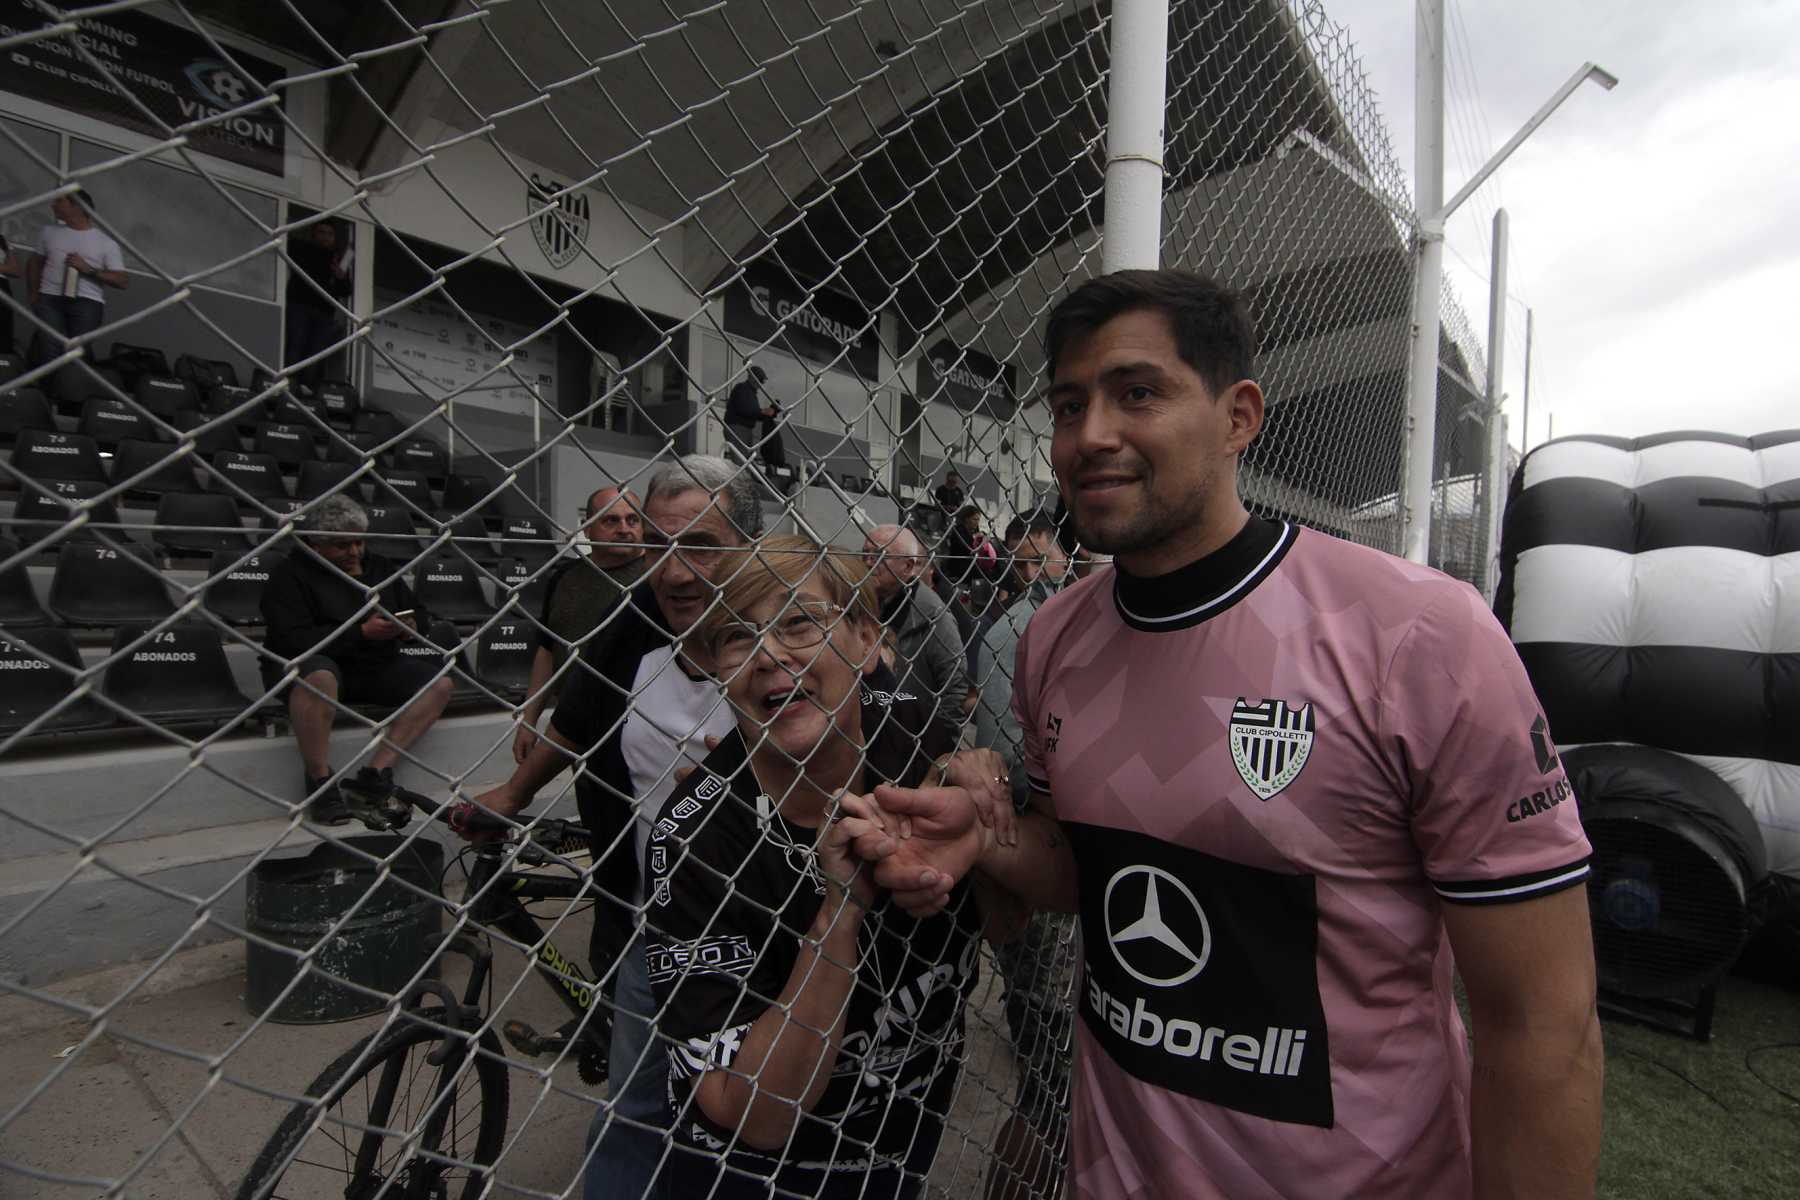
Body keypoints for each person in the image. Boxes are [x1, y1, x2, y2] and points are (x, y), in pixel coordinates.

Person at [856, 269, 1603, 1199]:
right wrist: (988, 843)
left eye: (1138, 393)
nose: (1090, 436)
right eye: (1067, 405)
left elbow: (1540, 1028)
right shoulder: (1056, 635)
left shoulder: (1418, 637)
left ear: (1239, 416)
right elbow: (1089, 868)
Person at [647, 535, 982, 1198]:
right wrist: (840, 912)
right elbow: (757, 1118)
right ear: (718, 669)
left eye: (798, 622)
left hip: (903, 1129)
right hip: (760, 1178)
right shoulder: (694, 839)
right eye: (739, 637)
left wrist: (985, 786)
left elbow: (1012, 916)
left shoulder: (912, 732)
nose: (771, 654)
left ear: (865, 639)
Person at [465, 454, 759, 1200]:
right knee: (634, 1107)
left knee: (757, 1110)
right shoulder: (634, 624)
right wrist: (513, 792)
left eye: (703, 546)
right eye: (658, 547)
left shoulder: (784, 632)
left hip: (766, 924)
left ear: (749, 548)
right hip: (653, 919)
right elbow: (577, 718)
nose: (676, 573)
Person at [970, 520, 1075, 1200]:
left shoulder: (1066, 622)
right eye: (1041, 557)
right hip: (1036, 860)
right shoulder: (1023, 631)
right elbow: (1010, 765)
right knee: (1051, 1081)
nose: (1058, 565)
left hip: (1057, 860)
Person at [261, 495, 454, 824]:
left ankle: (375, 774)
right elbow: (292, 640)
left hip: (372, 665)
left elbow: (419, 612)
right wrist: (359, 634)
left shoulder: (379, 566)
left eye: (358, 542)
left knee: (440, 683)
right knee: (320, 675)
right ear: (315, 544)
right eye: (341, 545)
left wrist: (410, 628)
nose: (354, 552)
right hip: (310, 668)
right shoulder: (289, 575)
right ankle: (320, 779)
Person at [512, 485, 647, 764]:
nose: (624, 528)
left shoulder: (659, 576)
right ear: (586, 527)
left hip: (644, 725)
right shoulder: (564, 578)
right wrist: (528, 720)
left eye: (632, 520)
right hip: (577, 725)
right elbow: (547, 651)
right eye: (611, 520)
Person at [860, 523, 970, 746]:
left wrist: (939, 744)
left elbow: (955, 688)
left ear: (908, 566)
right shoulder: (859, 602)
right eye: (865, 554)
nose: (869, 562)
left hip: (912, 738)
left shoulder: (933, 614)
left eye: (880, 555)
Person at [26, 189, 125, 365]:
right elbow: (35, 263)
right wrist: (34, 294)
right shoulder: (48, 232)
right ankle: (47, 389)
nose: (53, 205)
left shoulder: (106, 243)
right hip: (50, 298)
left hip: (87, 302)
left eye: (59, 201)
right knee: (49, 350)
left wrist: (88, 270)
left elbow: (122, 280)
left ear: (77, 206)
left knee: (77, 354)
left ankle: (68, 388)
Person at [284, 220, 353, 389]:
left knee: (316, 351)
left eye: (329, 234)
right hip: (300, 305)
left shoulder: (336, 259)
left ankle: (306, 386)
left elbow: (345, 291)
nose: (325, 237)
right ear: (313, 234)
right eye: (321, 232)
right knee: (296, 344)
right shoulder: (300, 249)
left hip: (324, 312)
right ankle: (289, 383)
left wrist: (341, 276)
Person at [724, 364, 789, 479]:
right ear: (752, 377)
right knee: (740, 462)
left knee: (745, 461)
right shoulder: (742, 389)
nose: (760, 384)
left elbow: (754, 413)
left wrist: (770, 413)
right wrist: (763, 411)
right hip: (737, 429)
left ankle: (742, 484)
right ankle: (738, 485)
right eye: (760, 380)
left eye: (762, 381)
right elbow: (746, 409)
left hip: (746, 430)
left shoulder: (752, 393)